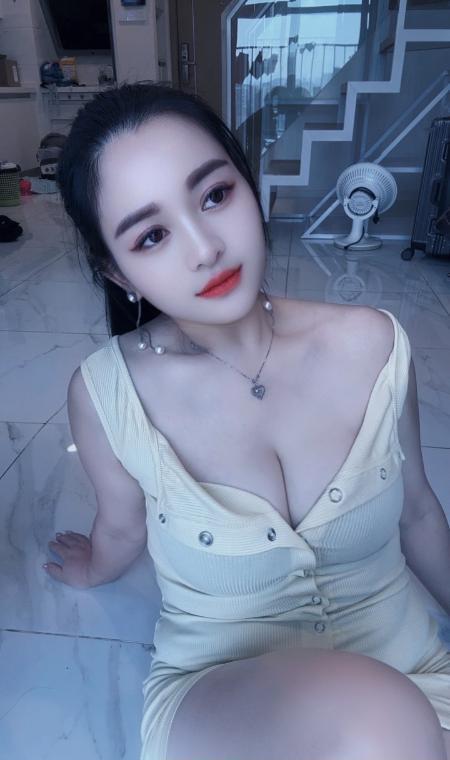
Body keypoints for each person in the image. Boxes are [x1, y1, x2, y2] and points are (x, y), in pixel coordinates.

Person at [45, 82, 450, 760]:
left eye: (214, 195)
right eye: (152, 235)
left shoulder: (373, 343)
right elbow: (121, 525)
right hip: (223, 697)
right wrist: (93, 569)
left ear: (248, 187)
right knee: (380, 724)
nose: (204, 248)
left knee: (394, 727)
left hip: (414, 674)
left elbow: (418, 513)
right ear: (119, 275)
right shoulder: (108, 393)